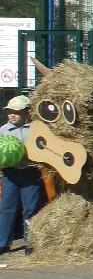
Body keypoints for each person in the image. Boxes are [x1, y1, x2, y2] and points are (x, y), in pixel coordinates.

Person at [0, 95, 43, 255]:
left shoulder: (36, 129)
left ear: (28, 113)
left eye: (16, 112)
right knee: (6, 208)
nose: (12, 115)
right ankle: (3, 242)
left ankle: (29, 242)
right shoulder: (3, 130)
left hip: (30, 173)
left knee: (30, 209)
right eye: (10, 111)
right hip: (10, 174)